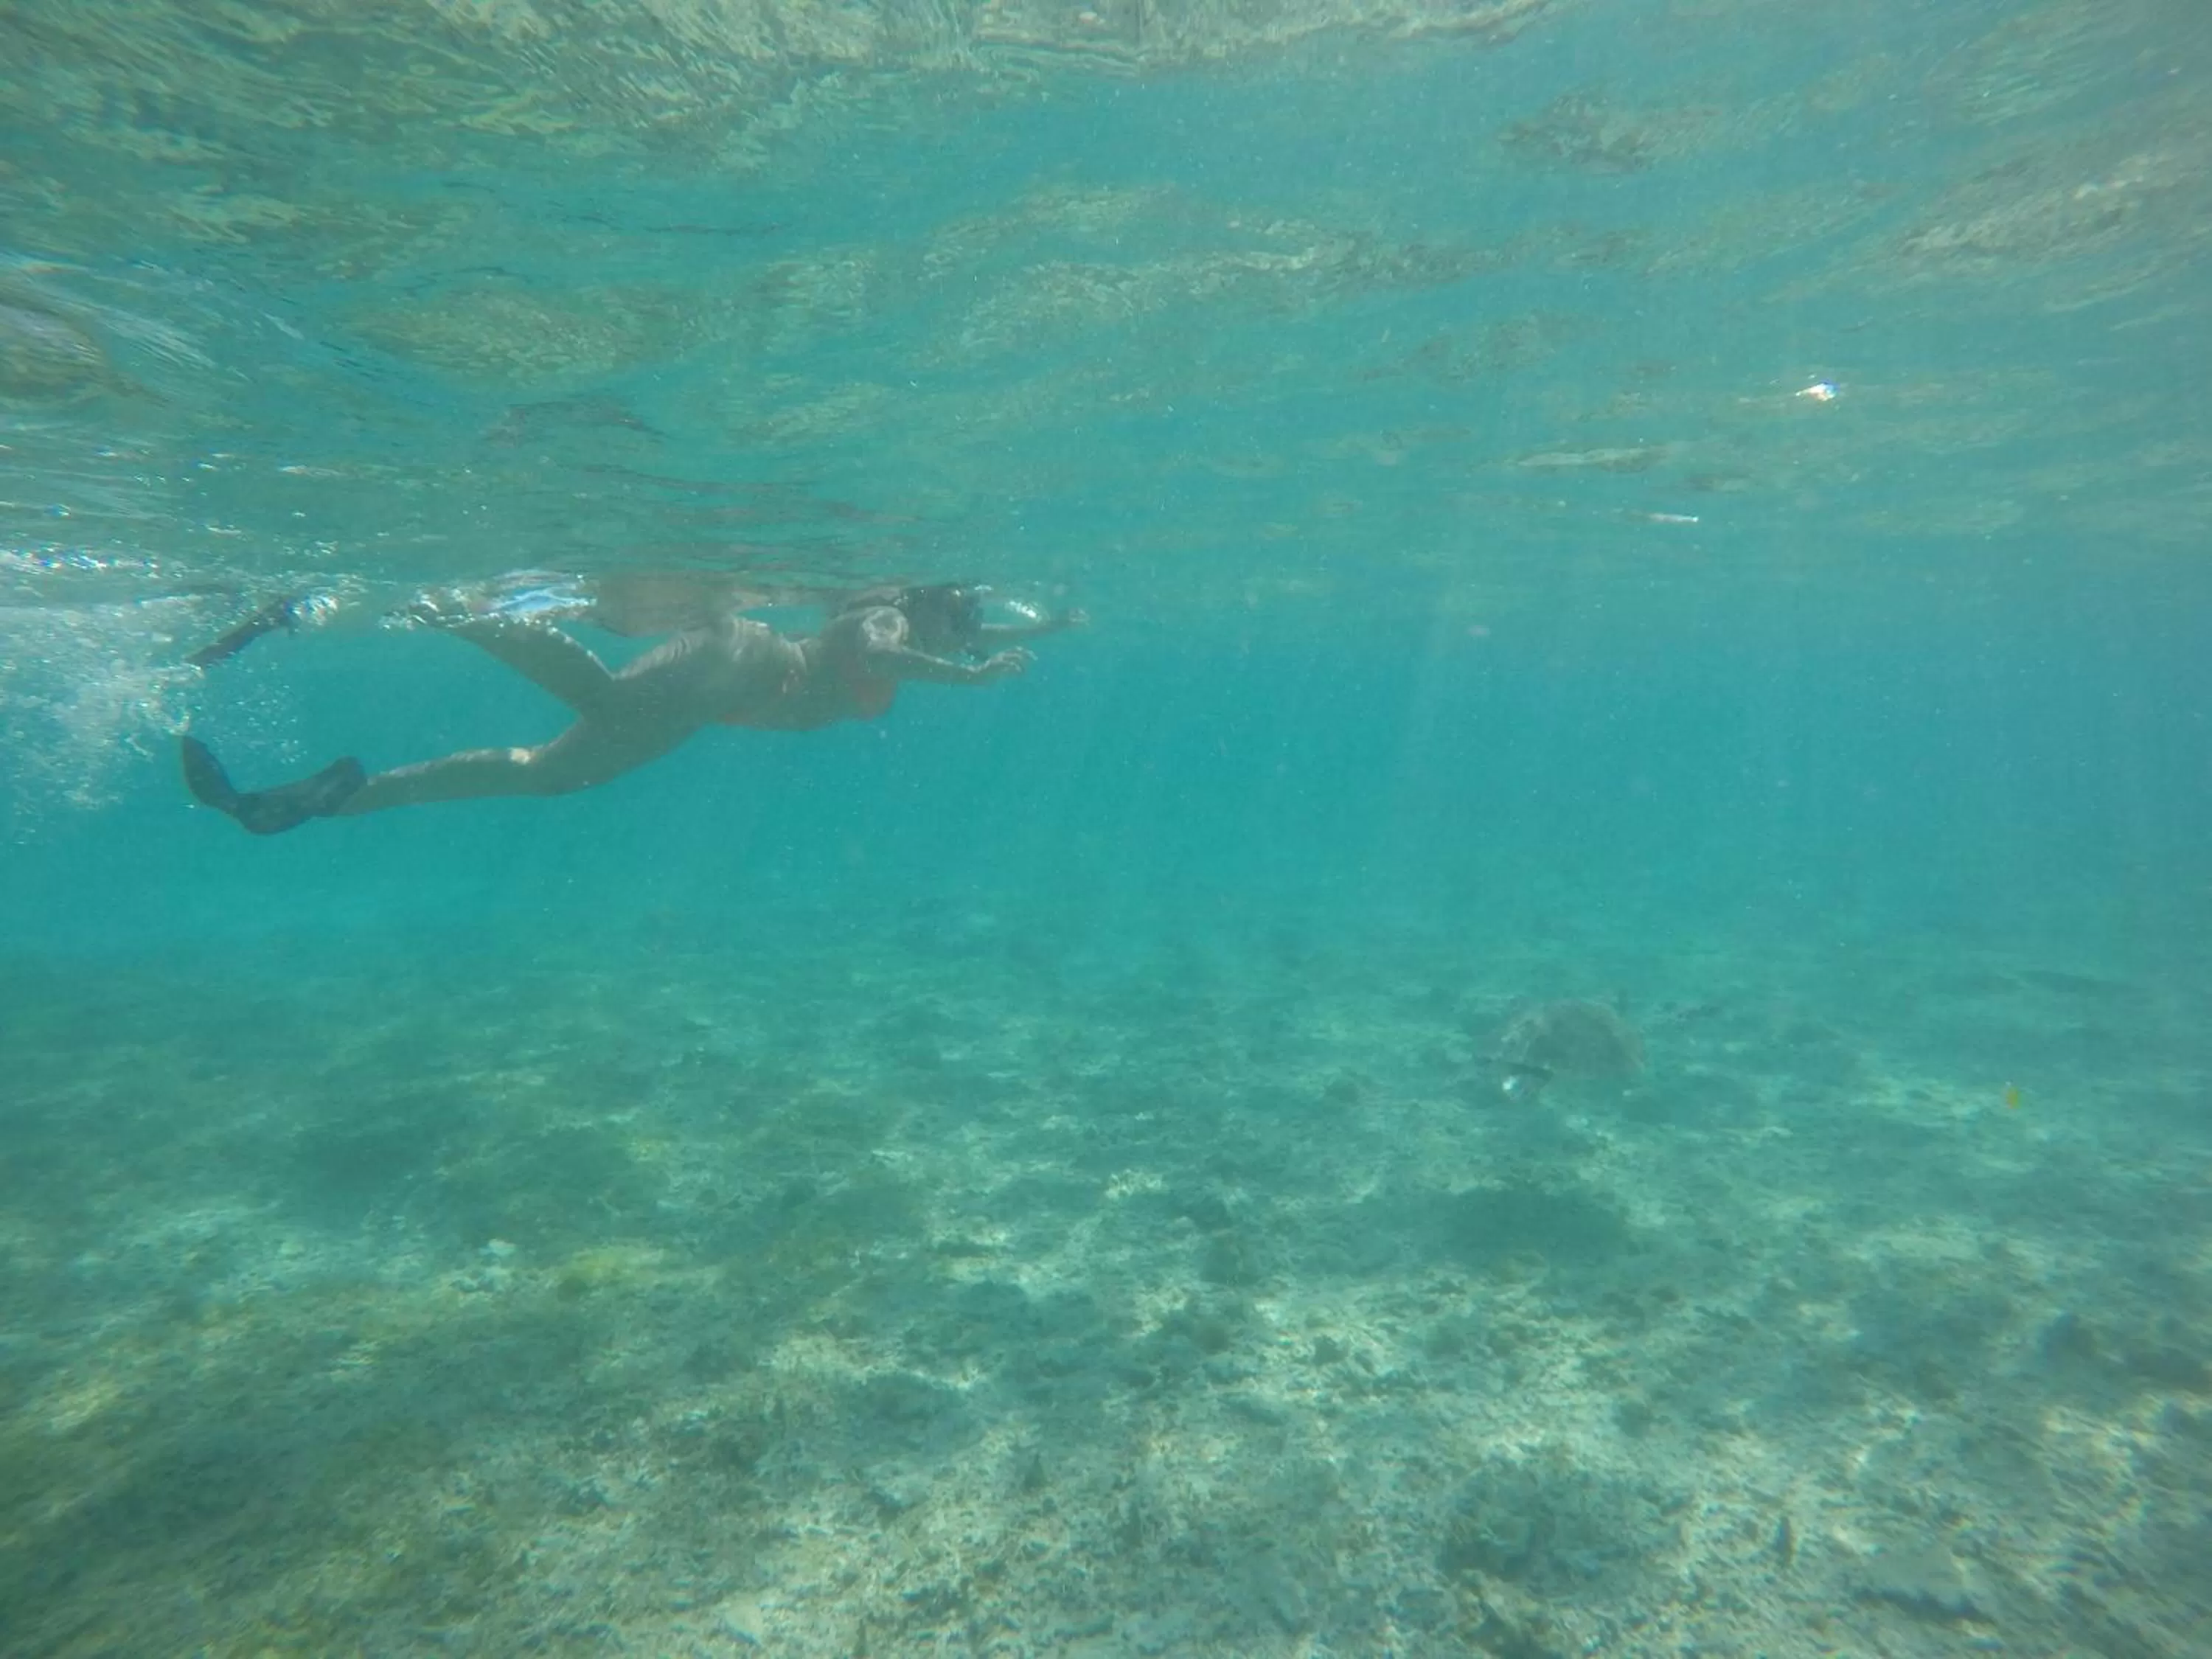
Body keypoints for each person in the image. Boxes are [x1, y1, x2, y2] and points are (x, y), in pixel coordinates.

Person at [181, 583, 1082, 834]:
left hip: (718, 698)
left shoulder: (930, 623)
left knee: (548, 778)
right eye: (960, 608)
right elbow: (880, 652)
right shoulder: (884, 610)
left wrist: (1045, 627)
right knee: (605, 702)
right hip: (742, 660)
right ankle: (453, 607)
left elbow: (964, 640)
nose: (965, 628)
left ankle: (328, 799)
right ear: (928, 596)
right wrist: (968, 680)